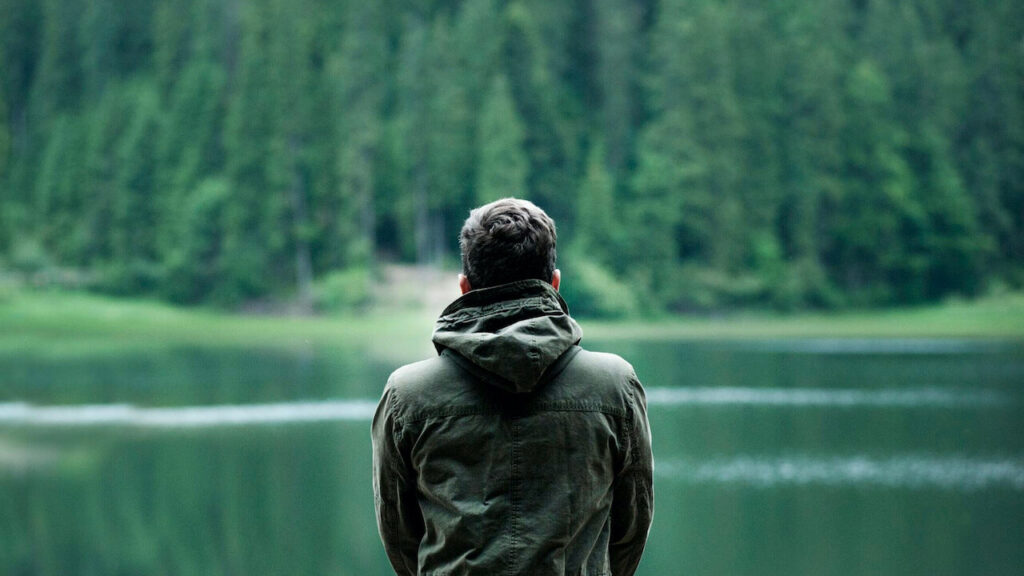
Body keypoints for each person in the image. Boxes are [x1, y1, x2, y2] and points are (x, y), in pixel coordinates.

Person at [372, 197, 653, 576]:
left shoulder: (408, 394)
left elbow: (400, 534)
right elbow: (631, 527)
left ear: (464, 287)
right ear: (555, 282)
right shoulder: (615, 386)